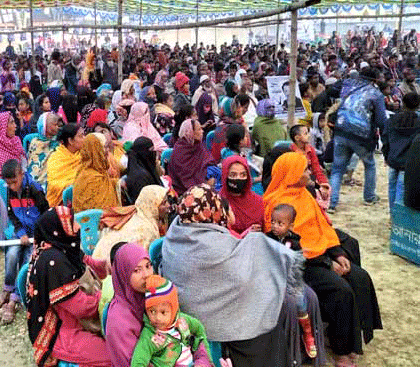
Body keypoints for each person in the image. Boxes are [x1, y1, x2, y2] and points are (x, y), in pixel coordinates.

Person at [163, 184, 303, 367]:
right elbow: (239, 278)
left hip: (189, 311)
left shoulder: (177, 229)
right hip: (211, 319)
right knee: (263, 325)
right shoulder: (212, 244)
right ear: (212, 211)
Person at [264, 152, 382, 367]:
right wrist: (328, 264)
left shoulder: (304, 194)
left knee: (360, 277)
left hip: (322, 255)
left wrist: (337, 253)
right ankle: (341, 352)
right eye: (304, 169)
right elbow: (290, 248)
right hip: (301, 265)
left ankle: (354, 339)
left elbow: (322, 228)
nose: (309, 172)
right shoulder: (277, 205)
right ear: (291, 174)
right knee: (340, 291)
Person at [25, 206, 110, 367]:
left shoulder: (61, 245)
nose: (78, 226)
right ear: (57, 229)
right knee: (113, 354)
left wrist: (109, 265)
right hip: (61, 330)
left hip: (74, 317)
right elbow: (80, 307)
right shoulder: (53, 262)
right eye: (72, 222)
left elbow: (86, 261)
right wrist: (106, 295)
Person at [0, 159, 49, 324]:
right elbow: (12, 215)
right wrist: (21, 233)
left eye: (14, 182)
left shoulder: (35, 190)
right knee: (11, 253)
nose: (11, 187)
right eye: (8, 183)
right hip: (21, 233)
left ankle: (15, 299)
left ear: (22, 175)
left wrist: (36, 236)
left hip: (36, 234)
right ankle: (7, 287)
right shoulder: (9, 190)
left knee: (28, 259)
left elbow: (45, 215)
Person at [329, 68, 386, 213]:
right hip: (361, 135)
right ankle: (369, 197)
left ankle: (331, 203)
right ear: (374, 81)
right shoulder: (376, 94)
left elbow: (331, 90)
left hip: (341, 131)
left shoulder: (347, 85)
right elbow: (380, 120)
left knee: (337, 169)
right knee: (370, 165)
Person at [266, 203, 318, 359]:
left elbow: (296, 264)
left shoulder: (295, 242)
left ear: (291, 225)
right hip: (271, 277)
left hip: (289, 278)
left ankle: (307, 333)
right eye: (273, 222)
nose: (275, 226)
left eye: (280, 223)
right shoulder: (268, 237)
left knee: (300, 299)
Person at [130, 275, 212, 367]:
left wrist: (206, 359)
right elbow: (138, 361)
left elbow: (198, 328)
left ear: (173, 309)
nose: (158, 318)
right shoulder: (149, 335)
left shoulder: (182, 320)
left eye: (163, 312)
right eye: (152, 311)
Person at [105, 242, 154, 367]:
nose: (147, 275)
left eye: (148, 266)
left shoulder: (153, 295)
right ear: (124, 274)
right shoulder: (119, 321)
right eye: (137, 270)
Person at [93, 185, 169, 260]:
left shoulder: (135, 214)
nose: (168, 205)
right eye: (163, 203)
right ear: (153, 206)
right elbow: (139, 262)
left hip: (99, 255)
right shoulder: (147, 231)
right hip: (107, 265)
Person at [382, 92, 420, 206]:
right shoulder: (418, 122)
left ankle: (392, 214)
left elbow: (385, 140)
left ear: (403, 103)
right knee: (402, 189)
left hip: (393, 158)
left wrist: (386, 156)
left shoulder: (391, 120)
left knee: (392, 188)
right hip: (409, 161)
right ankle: (399, 217)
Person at [73, 133, 120, 213]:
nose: (107, 151)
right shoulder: (91, 178)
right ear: (96, 151)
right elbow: (102, 212)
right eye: (104, 147)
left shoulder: (96, 169)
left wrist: (118, 183)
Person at [168, 119, 214, 195]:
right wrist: (203, 185)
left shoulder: (198, 145)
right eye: (199, 129)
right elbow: (185, 177)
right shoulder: (180, 150)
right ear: (191, 132)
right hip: (185, 190)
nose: (202, 132)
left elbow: (208, 160)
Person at [220, 155, 263, 235]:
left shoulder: (259, 202)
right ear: (225, 176)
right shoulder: (217, 202)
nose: (238, 178)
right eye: (233, 175)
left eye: (243, 175)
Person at [46, 123, 85, 206]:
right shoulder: (56, 158)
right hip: (62, 203)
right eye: (81, 136)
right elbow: (54, 184)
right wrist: (75, 184)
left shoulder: (84, 154)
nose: (84, 139)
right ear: (70, 141)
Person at [0, 111, 25, 188]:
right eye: (12, 123)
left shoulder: (16, 141)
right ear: (3, 127)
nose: (15, 126)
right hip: (1, 185)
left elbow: (23, 165)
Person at [290, 125, 329, 201]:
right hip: (296, 181)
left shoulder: (310, 149)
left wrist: (323, 183)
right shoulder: (290, 151)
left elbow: (316, 168)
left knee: (326, 190)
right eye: (306, 134)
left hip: (309, 177)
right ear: (297, 138)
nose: (309, 136)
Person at [125, 136, 163, 205]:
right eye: (151, 151)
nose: (153, 154)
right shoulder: (140, 177)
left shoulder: (142, 167)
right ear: (143, 153)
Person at [26, 112, 60, 189]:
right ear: (45, 127)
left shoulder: (58, 142)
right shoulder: (36, 143)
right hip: (37, 183)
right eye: (54, 125)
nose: (57, 127)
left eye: (57, 125)